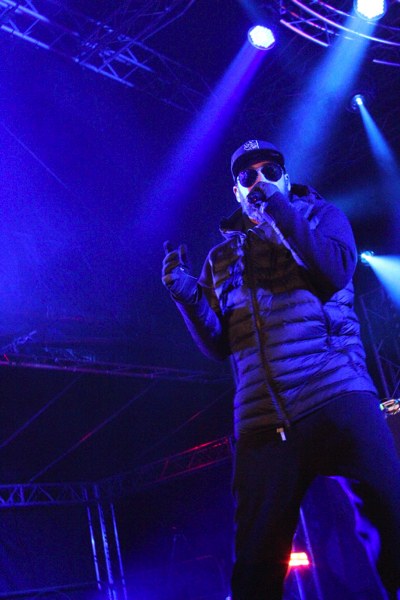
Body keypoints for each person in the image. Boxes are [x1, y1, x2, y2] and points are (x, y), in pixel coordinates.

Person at [161, 139, 400, 599]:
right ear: (236, 191)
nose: (260, 181)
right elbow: (218, 345)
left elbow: (334, 271)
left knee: (392, 521)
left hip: (335, 393)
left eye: (270, 172)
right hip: (262, 420)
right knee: (256, 566)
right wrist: (187, 295)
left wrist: (278, 210)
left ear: (286, 179)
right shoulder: (221, 258)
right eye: (247, 176)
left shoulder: (321, 217)